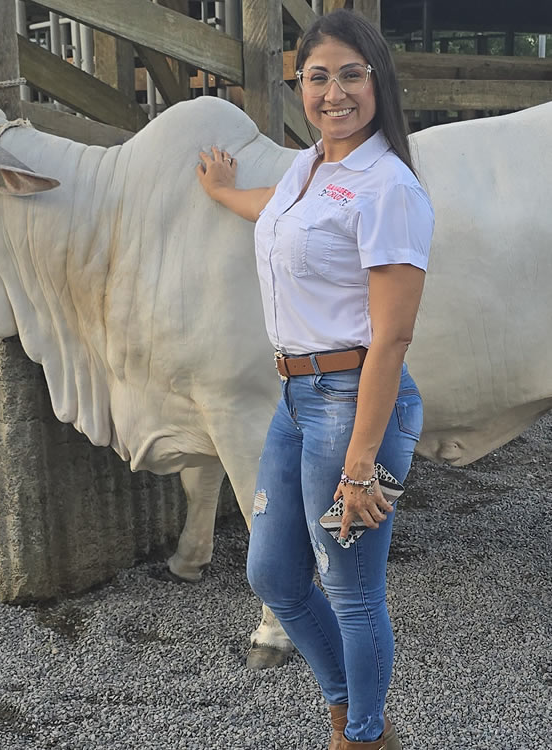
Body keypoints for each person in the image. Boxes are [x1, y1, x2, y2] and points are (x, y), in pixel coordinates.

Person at [196, 9, 434, 750]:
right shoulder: (309, 167)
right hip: (297, 401)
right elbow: (275, 212)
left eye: (351, 75)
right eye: (317, 77)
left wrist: (361, 465)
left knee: (353, 592)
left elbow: (391, 337)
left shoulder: (387, 186)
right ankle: (347, 708)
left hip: (358, 404)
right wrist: (220, 193)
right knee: (273, 575)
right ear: (299, 85)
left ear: (377, 81)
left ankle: (360, 736)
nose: (334, 92)